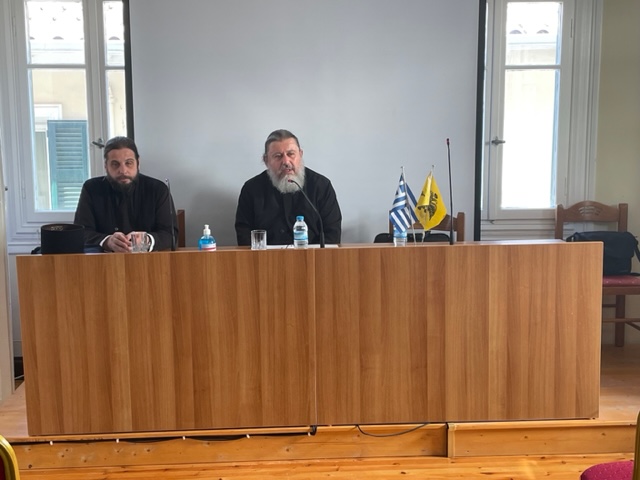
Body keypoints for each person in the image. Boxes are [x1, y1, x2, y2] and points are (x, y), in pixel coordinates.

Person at [235, 129, 342, 246]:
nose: (286, 161)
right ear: (266, 160)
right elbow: (244, 235)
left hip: (312, 256)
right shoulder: (251, 189)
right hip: (265, 257)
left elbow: (332, 235)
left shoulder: (321, 186)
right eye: (278, 156)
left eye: (291, 154)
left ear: (300, 154)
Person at [74, 136, 178, 252]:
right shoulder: (91, 188)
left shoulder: (158, 189)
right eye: (115, 164)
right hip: (104, 260)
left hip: (148, 260)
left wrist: (147, 240)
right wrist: (107, 241)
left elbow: (170, 234)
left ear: (138, 163)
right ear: (106, 166)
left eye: (129, 163)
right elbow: (81, 233)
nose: (123, 171)